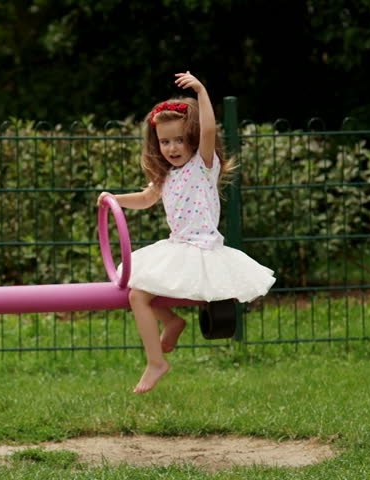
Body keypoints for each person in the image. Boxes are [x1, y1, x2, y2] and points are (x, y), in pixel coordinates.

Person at [99, 71, 275, 394]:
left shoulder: (202, 165)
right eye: (165, 141)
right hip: (176, 246)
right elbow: (146, 198)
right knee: (137, 288)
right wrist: (114, 200)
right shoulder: (167, 176)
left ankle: (156, 362)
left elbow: (209, 128)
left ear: (193, 138)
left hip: (201, 250)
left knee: (138, 294)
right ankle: (171, 323)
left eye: (179, 140)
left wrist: (201, 90)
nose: (172, 148)